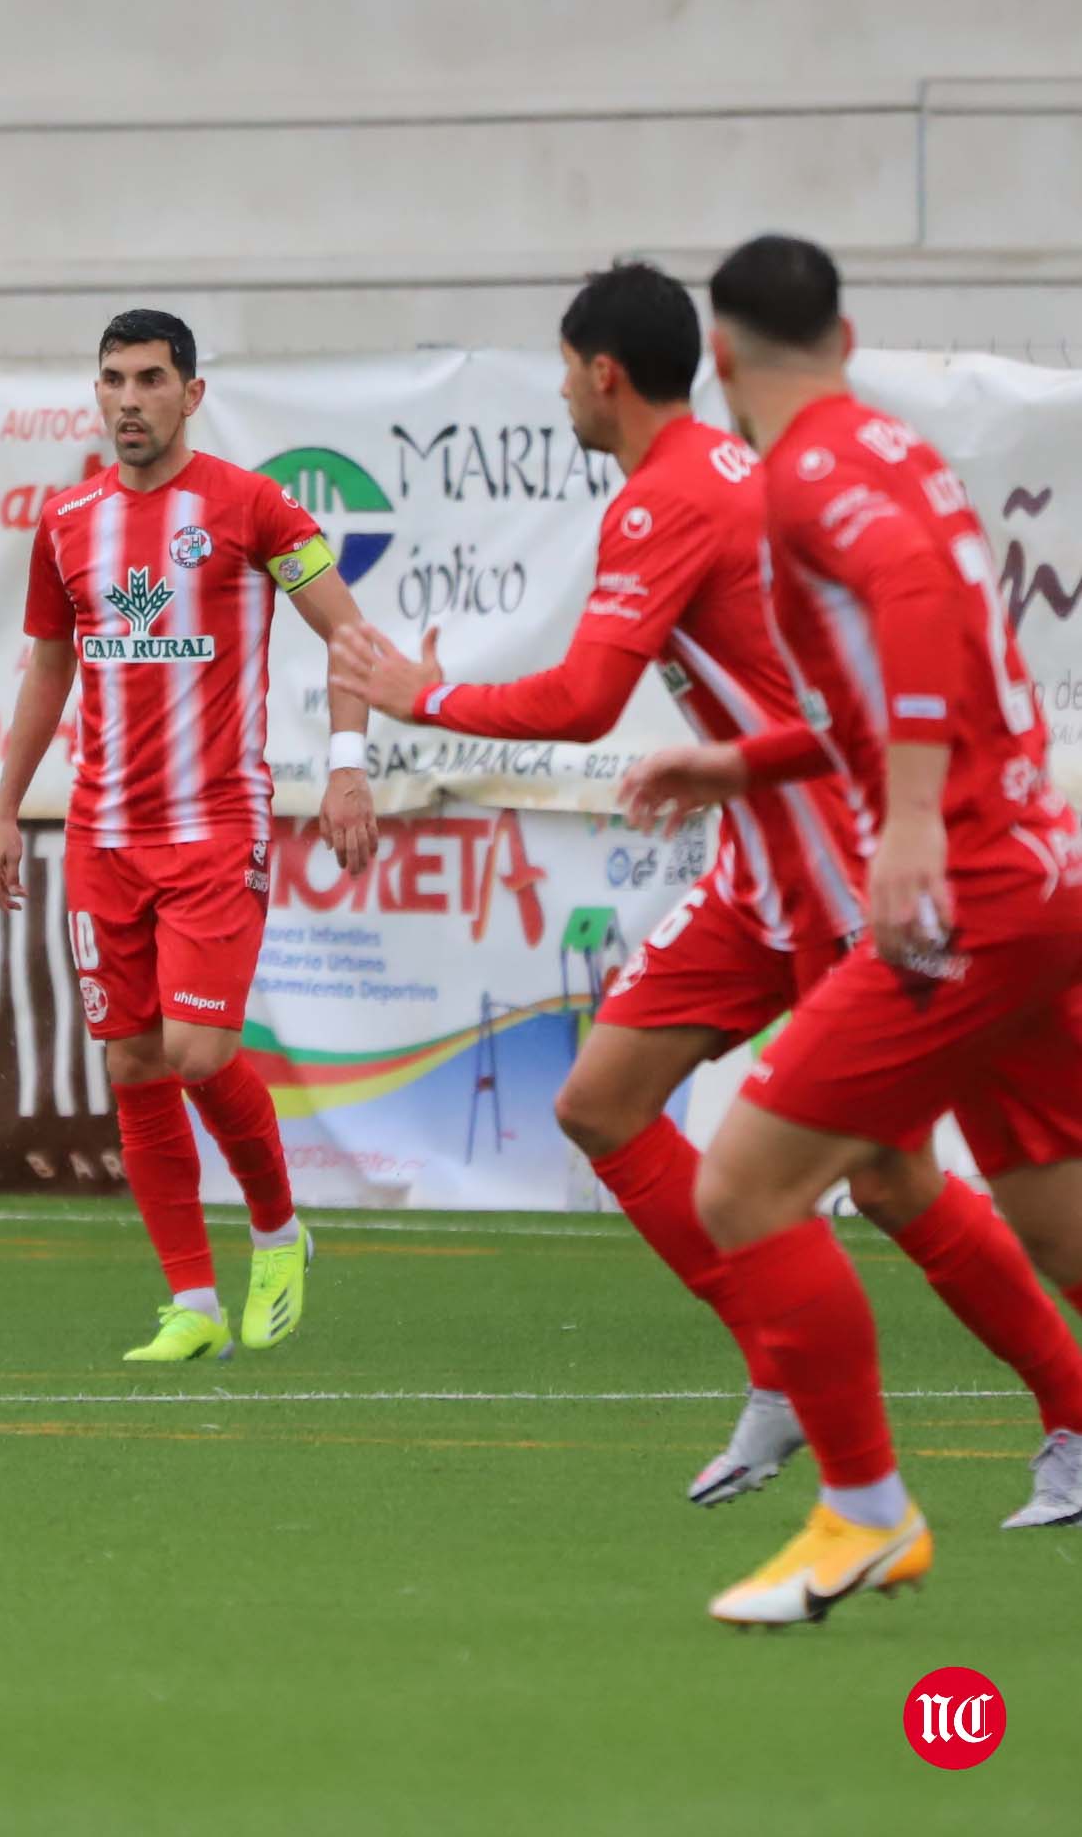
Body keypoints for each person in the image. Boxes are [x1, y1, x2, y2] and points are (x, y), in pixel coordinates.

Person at [336, 264, 1082, 1519]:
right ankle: (787, 1367)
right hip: (762, 856)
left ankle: (1060, 1413)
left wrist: (430, 701)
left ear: (602, 371)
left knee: (894, 1173)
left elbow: (579, 701)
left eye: (566, 367)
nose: (563, 388)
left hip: (844, 858)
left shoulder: (671, 493)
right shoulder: (731, 477)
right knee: (603, 1101)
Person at [619, 235, 1082, 1624]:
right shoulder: (891, 443)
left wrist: (909, 821)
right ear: (846, 330)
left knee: (741, 1184)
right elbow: (883, 666)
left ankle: (860, 1513)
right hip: (1036, 876)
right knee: (1056, 1224)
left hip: (964, 894)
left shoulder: (806, 474)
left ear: (716, 354)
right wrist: (735, 762)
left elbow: (924, 608)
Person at [0, 310, 380, 1364]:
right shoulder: (66, 522)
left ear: (191, 394)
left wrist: (348, 767)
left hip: (215, 829)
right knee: (131, 1067)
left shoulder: (252, 508)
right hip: (101, 836)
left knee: (199, 1052)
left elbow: (349, 635)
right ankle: (192, 1301)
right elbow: (49, 670)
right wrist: (5, 807)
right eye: (112, 379)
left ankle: (281, 1233)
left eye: (150, 379)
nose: (127, 400)